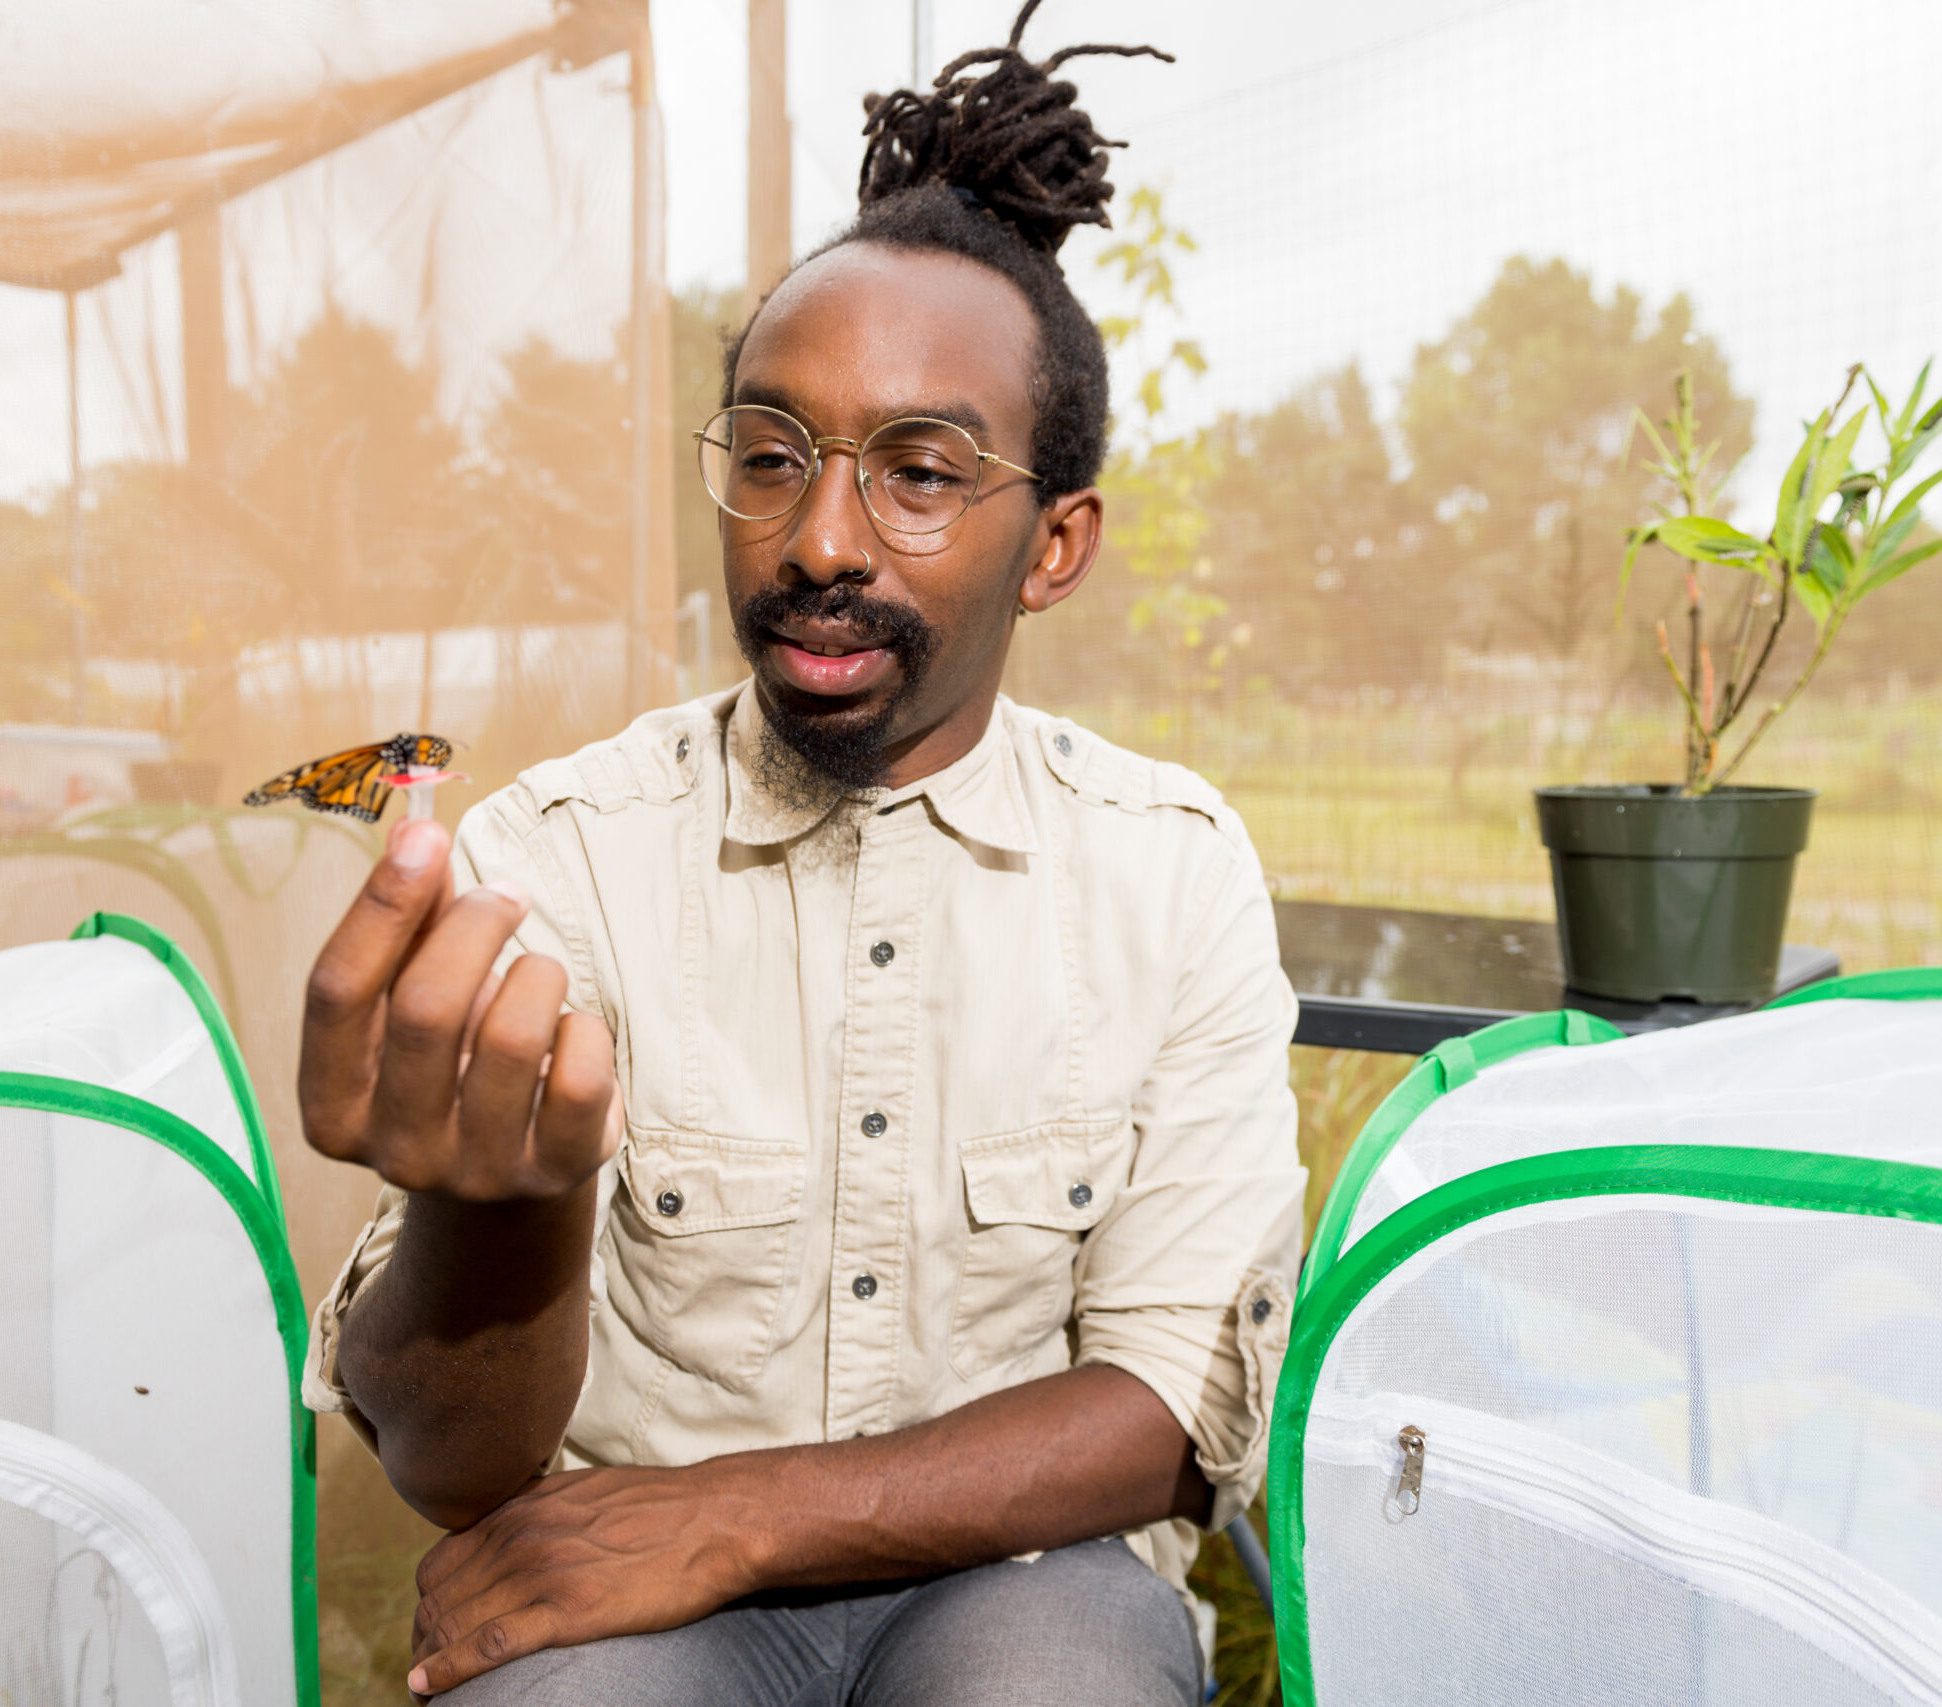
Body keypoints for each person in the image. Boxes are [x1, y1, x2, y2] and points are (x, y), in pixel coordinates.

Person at [297, 6, 1303, 1699]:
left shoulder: (1173, 869)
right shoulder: (562, 852)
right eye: (771, 458)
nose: (819, 539)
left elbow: (1168, 1417)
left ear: (1055, 544)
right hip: (632, 1603)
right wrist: (506, 1213)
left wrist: (736, 1516)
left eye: (921, 472)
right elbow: (455, 1474)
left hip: (1026, 1579)